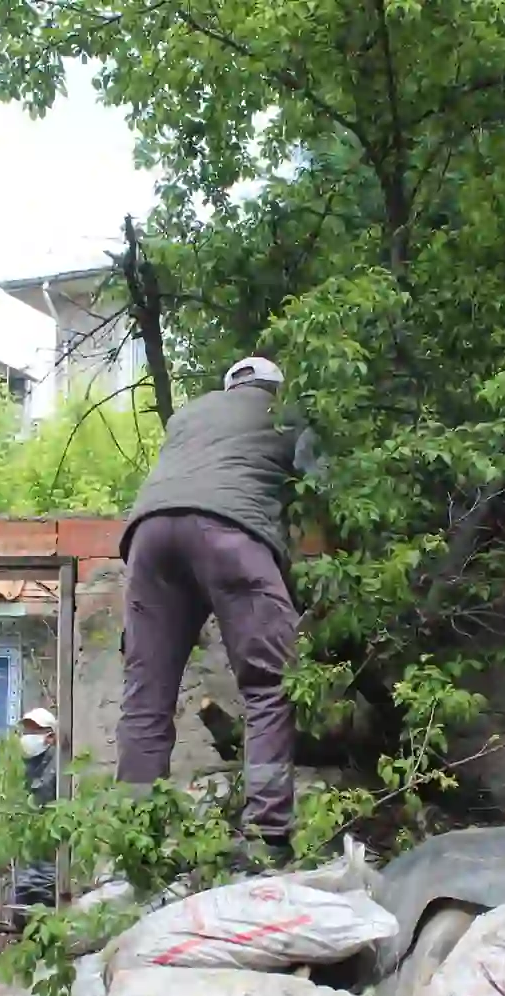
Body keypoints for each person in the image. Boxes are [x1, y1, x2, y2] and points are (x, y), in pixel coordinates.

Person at [116, 356, 319, 867]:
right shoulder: (286, 414)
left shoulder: (189, 415)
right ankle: (267, 836)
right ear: (274, 387)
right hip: (230, 534)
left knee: (145, 699)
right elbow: (324, 492)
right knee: (270, 685)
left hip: (148, 537)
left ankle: (134, 844)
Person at [12, 708, 59, 912]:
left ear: (50, 736)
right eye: (27, 732)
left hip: (52, 848)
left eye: (35, 732)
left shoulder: (58, 764)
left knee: (44, 896)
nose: (28, 738)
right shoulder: (24, 766)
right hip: (29, 851)